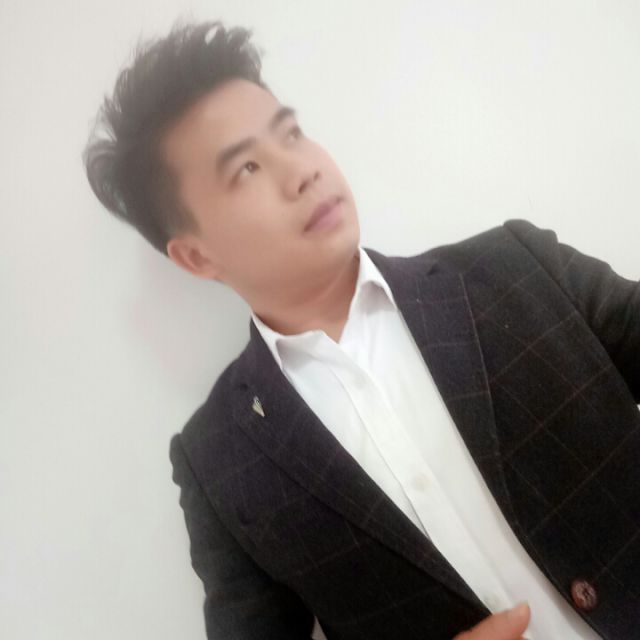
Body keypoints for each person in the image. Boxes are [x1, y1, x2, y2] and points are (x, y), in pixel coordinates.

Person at [83, 21, 639, 640]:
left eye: (291, 133)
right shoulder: (218, 461)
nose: (301, 171)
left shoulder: (512, 267)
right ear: (197, 256)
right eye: (247, 168)